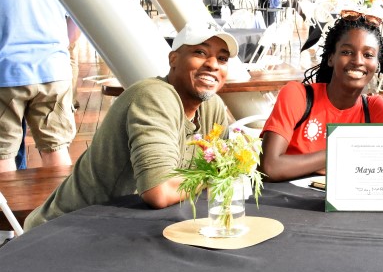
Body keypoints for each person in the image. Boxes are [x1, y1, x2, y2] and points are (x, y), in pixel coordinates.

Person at [24, 21, 239, 229]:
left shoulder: (212, 107)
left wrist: (220, 172)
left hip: (132, 228)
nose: (213, 64)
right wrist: (213, 174)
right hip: (69, 231)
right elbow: (160, 192)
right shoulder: (153, 96)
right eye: (200, 53)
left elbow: (226, 172)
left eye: (222, 59)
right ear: (173, 59)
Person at [259, 11, 383, 181]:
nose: (358, 61)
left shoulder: (376, 109)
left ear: (376, 65)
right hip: (290, 202)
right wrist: (339, 152)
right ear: (331, 58)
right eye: (347, 52)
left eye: (368, 55)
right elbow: (270, 167)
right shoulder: (298, 96)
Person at [0, 0, 76, 173]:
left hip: (5, 70)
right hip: (53, 69)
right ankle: (64, 210)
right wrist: (61, 47)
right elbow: (78, 14)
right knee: (57, 150)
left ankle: (7, 212)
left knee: (3, 156)